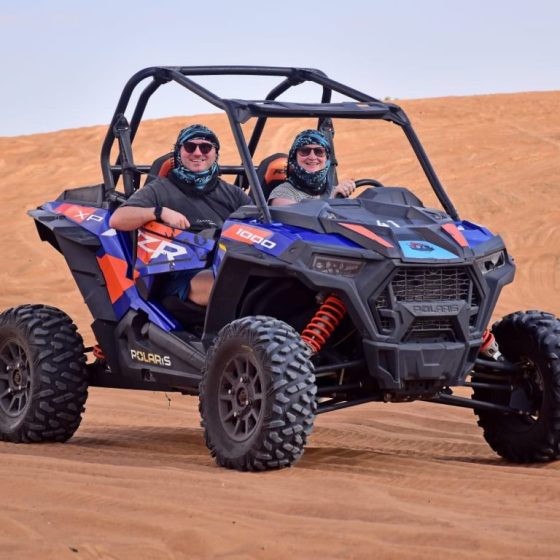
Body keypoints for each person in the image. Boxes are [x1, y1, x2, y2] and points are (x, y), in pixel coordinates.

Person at [109, 124, 251, 307]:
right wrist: (159, 212)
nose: (198, 153)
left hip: (227, 263)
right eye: (190, 147)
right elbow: (118, 219)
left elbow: (259, 224)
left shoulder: (233, 194)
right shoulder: (160, 189)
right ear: (179, 152)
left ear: (215, 153)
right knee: (230, 288)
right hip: (182, 271)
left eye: (205, 147)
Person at [268, 129, 356, 206]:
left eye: (319, 151)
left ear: (327, 158)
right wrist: (332, 200)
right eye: (305, 151)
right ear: (294, 157)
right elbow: (297, 217)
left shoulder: (335, 191)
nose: (312, 157)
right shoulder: (282, 193)